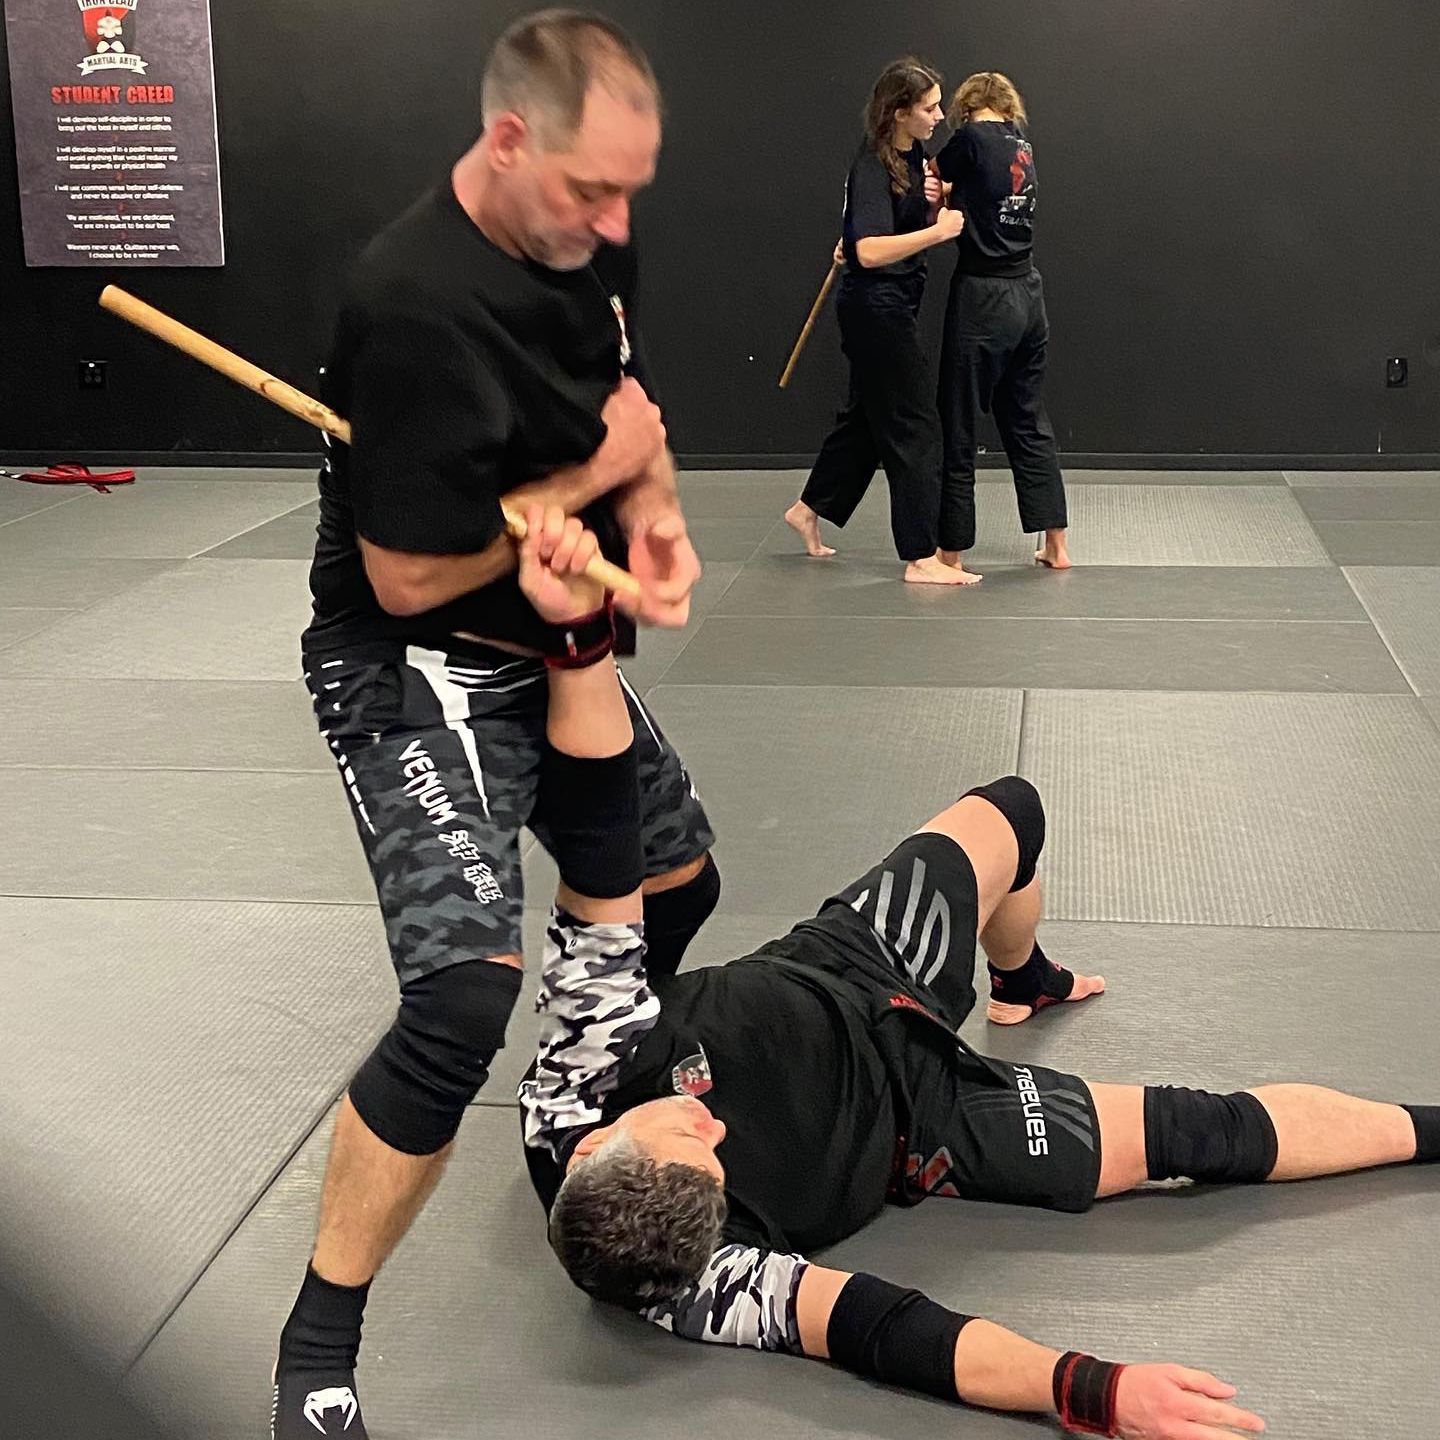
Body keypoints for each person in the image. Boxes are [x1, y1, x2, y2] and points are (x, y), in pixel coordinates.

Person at [514, 535, 1439, 1436]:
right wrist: (1091, 1389)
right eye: (715, 1156)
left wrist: (576, 642)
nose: (713, 1124)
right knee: (1202, 1133)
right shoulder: (692, 1281)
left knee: (1013, 809)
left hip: (840, 963)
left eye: (685, 1125)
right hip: (930, 1120)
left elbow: (602, 849)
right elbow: (888, 1330)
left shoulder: (578, 1079)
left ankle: (1023, 976)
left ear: (595, 1145)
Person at [274, 13, 722, 1438]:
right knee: (463, 992)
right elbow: (407, 572)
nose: (615, 218)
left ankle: (581, 1096)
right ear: (510, 138)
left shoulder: (590, 236)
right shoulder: (411, 298)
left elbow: (628, 419)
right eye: (593, 188)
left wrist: (653, 529)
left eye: (632, 191)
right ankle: (316, 1355)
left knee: (681, 881)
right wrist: (605, 467)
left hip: (551, 627)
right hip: (411, 655)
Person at [783, 59, 973, 585]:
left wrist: (934, 207)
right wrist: (937, 234)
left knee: (867, 422)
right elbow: (867, 250)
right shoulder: (871, 162)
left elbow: (888, 228)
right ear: (899, 112)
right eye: (930, 107)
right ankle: (920, 556)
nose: (940, 115)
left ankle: (809, 508)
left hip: (898, 301)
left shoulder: (917, 158)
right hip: (875, 310)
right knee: (915, 423)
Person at [933, 71, 1071, 575]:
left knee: (960, 421)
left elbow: (931, 182)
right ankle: (1056, 543)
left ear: (965, 109)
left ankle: (950, 552)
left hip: (983, 296)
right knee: (1027, 419)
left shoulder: (968, 139)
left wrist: (945, 201)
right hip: (1028, 295)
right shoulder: (1022, 145)